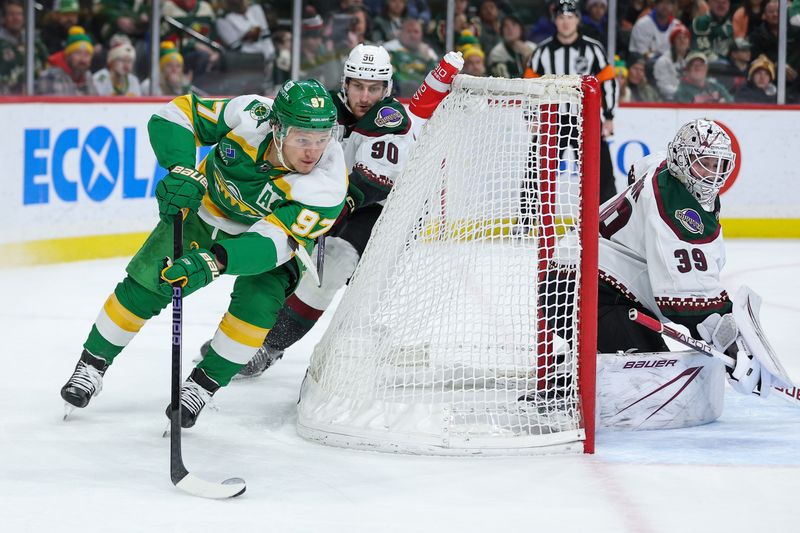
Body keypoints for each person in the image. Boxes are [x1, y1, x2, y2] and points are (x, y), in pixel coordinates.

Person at [60, 79, 347, 428]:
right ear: (276, 128)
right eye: (302, 139)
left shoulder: (328, 183)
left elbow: (274, 242)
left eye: (321, 140)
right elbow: (177, 115)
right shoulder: (250, 113)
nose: (312, 152)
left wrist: (215, 261)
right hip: (205, 213)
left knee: (256, 309)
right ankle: (91, 365)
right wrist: (181, 169)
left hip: (267, 243)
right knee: (147, 283)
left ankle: (200, 387)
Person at [200, 44, 464, 379]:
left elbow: (368, 187)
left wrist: (325, 215)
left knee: (332, 267)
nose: (365, 96)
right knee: (274, 264)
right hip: (325, 201)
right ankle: (238, 341)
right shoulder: (320, 107)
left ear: (387, 88)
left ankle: (269, 347)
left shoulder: (391, 120)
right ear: (345, 83)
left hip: (378, 212)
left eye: (374, 88)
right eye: (357, 86)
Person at [547, 119, 771, 396]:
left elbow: (636, 169)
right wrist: (733, 347)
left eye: (718, 165)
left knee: (651, 367)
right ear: (681, 159)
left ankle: (583, 356)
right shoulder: (677, 209)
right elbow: (689, 301)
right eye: (704, 163)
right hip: (580, 292)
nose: (712, 175)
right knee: (654, 382)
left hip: (578, 280)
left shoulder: (665, 167)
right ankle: (565, 383)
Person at [524, 0, 618, 203]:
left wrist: (609, 116)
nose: (565, 22)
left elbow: (608, 82)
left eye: (570, 17)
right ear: (554, 21)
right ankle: (527, 219)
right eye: (561, 17)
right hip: (551, 120)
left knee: (601, 171)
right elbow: (529, 88)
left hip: (586, 118)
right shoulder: (542, 52)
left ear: (577, 20)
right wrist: (532, 116)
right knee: (536, 167)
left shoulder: (593, 49)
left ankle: (606, 220)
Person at [36, 26, 97, 96]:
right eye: (77, 53)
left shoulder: (88, 76)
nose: (82, 58)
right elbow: (53, 105)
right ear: (67, 56)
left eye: (87, 55)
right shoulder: (51, 76)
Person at [653, 22, 691, 99]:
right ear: (673, 42)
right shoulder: (663, 61)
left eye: (685, 38)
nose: (682, 41)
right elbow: (663, 87)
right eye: (679, 38)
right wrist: (682, 93)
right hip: (671, 101)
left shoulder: (692, 60)